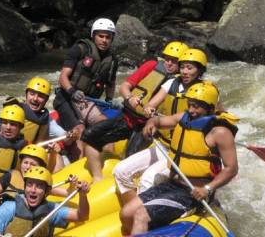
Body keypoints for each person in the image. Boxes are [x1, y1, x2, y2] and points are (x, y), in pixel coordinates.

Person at [119, 81, 239, 235]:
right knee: (126, 213)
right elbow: (159, 121)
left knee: (140, 215)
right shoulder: (185, 117)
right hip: (173, 184)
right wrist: (151, 123)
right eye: (190, 104)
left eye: (196, 106)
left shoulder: (220, 132)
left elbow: (231, 169)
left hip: (194, 192)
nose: (191, 109)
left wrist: (207, 189)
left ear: (210, 108)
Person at [113, 48, 211, 204]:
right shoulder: (172, 82)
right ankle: (135, 206)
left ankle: (144, 213)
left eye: (190, 68)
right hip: (163, 145)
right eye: (183, 67)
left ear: (200, 71)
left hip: (183, 151)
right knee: (120, 170)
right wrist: (149, 109)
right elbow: (152, 104)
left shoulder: (206, 91)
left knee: (147, 179)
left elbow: (218, 115)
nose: (184, 71)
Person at [81, 41, 189, 182]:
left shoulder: (181, 85)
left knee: (129, 159)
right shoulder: (152, 66)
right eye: (167, 58)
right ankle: (97, 178)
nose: (169, 63)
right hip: (128, 117)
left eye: (174, 61)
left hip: (147, 127)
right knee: (89, 136)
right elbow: (125, 86)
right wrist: (130, 97)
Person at [53, 18, 118, 157]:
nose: (104, 40)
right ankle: (80, 167)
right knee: (80, 129)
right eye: (101, 36)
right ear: (93, 35)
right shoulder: (80, 49)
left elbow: (111, 82)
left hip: (88, 102)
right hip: (66, 98)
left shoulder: (112, 60)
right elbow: (63, 77)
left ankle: (108, 161)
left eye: (108, 37)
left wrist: (109, 99)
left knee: (105, 125)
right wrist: (72, 91)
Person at [0, 166, 90, 237]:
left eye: (39, 186)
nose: (33, 190)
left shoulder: (51, 209)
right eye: (29, 185)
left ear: (47, 192)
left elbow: (81, 216)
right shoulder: (11, 207)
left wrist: (83, 196)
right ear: (25, 188)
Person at [0, 144, 78, 209]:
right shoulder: (10, 176)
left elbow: (68, 193)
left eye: (32, 164)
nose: (27, 167)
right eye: (25, 162)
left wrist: (73, 185)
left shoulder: (40, 184)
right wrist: (2, 210)